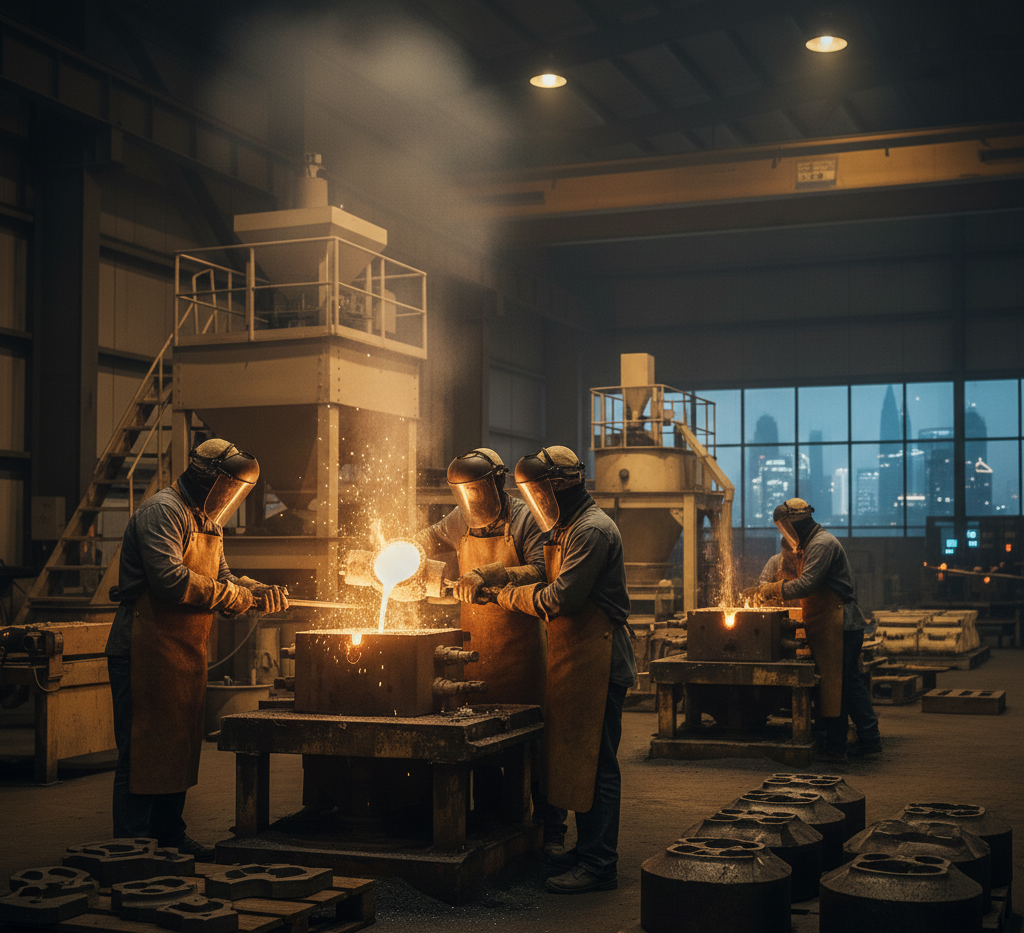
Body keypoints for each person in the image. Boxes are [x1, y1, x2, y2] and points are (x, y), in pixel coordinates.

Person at [104, 438, 289, 860]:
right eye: (231, 486)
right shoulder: (163, 511)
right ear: (210, 478)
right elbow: (170, 579)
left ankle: (169, 834)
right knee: (142, 750)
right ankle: (130, 846)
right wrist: (230, 596)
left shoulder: (208, 518)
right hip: (143, 648)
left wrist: (252, 588)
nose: (233, 496)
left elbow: (221, 573)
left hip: (183, 651)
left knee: (177, 746)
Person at [494, 446, 636, 895]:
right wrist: (498, 576)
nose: (534, 500)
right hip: (575, 660)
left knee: (597, 766)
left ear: (559, 486)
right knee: (577, 761)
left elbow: (560, 599)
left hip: (600, 658)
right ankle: (588, 847)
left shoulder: (591, 531)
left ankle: (599, 864)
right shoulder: (565, 527)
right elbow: (539, 574)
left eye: (537, 490)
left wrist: (504, 598)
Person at [414, 449, 551, 828]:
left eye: (476, 491)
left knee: (531, 745)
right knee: (480, 742)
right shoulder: (459, 520)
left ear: (497, 483)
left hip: (520, 653)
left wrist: (488, 574)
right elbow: (429, 536)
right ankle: (492, 824)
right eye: (464, 493)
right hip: (474, 652)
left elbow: (542, 569)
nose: (471, 501)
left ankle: (546, 827)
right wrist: (404, 552)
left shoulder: (525, 519)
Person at [754, 498, 881, 762]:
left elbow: (807, 585)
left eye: (785, 527)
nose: (785, 533)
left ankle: (837, 748)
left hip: (840, 622)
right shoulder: (808, 545)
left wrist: (772, 589)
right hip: (829, 622)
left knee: (838, 687)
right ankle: (869, 738)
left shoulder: (822, 544)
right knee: (849, 682)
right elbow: (792, 576)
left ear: (795, 524)